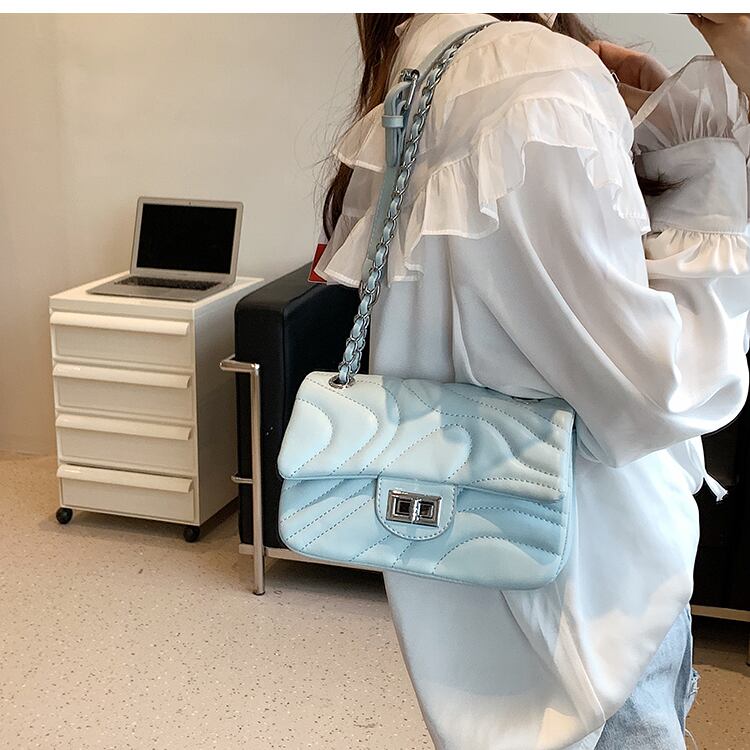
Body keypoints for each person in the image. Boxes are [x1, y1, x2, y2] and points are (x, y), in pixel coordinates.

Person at [312, 12, 750, 750]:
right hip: (602, 604)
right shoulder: (534, 76)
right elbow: (660, 390)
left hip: (484, 593)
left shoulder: (427, 62)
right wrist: (721, 180)